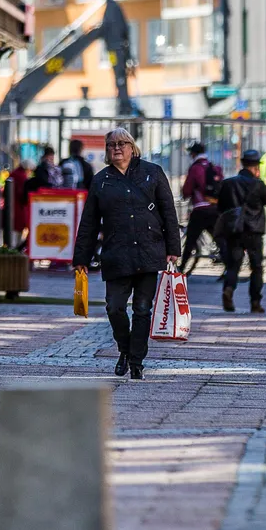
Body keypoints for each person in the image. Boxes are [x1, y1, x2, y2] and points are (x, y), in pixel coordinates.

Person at [72, 128, 180, 381]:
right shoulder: (101, 180)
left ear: (133, 147)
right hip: (116, 254)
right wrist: (81, 259)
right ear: (107, 151)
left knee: (143, 309)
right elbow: (89, 223)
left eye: (122, 143)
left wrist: (173, 249)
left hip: (148, 251)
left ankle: (136, 361)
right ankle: (125, 347)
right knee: (114, 308)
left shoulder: (152, 173)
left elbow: (168, 212)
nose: (117, 148)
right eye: (111, 145)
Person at [216, 149, 266, 313]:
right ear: (256, 166)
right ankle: (255, 302)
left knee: (234, 264)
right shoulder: (259, 184)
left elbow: (221, 207)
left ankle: (228, 290)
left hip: (235, 229)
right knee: (256, 266)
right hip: (254, 230)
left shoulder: (229, 183)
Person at [178, 141, 222, 263]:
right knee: (219, 239)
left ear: (193, 154)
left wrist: (185, 194)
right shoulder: (214, 167)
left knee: (190, 241)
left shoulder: (195, 168)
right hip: (214, 208)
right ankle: (231, 269)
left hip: (200, 210)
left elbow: (187, 190)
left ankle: (181, 270)